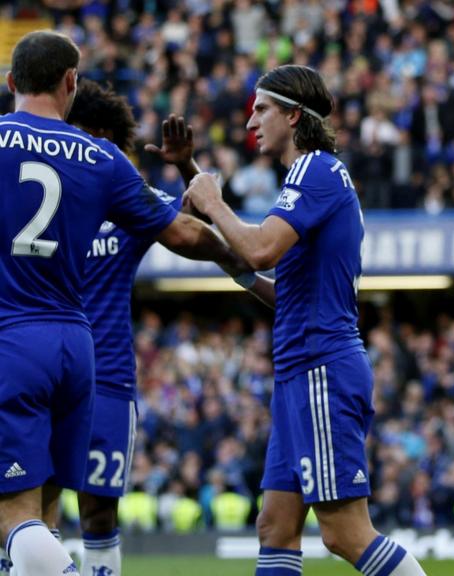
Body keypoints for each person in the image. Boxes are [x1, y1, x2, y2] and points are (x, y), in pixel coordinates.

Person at [0, 31, 243, 576]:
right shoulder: (101, 157)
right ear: (71, 83)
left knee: (11, 516)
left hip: (12, 338)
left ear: (11, 82)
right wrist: (244, 259)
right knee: (45, 514)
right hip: (77, 349)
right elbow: (183, 234)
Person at [186, 64, 427, 576]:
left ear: (294, 115)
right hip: (302, 370)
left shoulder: (314, 169)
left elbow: (261, 249)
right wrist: (237, 270)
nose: (251, 121)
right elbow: (286, 287)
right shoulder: (314, 177)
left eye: (262, 109)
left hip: (321, 367)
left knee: (344, 533)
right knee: (275, 525)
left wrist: (214, 203)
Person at [52, 79, 254, 576]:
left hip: (107, 379)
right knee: (36, 501)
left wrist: (190, 168)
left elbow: (193, 222)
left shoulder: (127, 197)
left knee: (98, 511)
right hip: (48, 364)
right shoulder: (43, 190)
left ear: (97, 133)